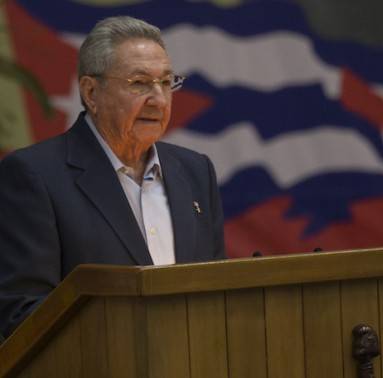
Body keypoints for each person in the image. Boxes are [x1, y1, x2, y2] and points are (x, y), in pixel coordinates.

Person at [0, 16, 225, 338]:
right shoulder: (34, 175)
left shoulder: (195, 171)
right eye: (139, 83)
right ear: (91, 92)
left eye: (165, 82)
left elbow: (219, 291)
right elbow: (22, 315)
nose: (159, 100)